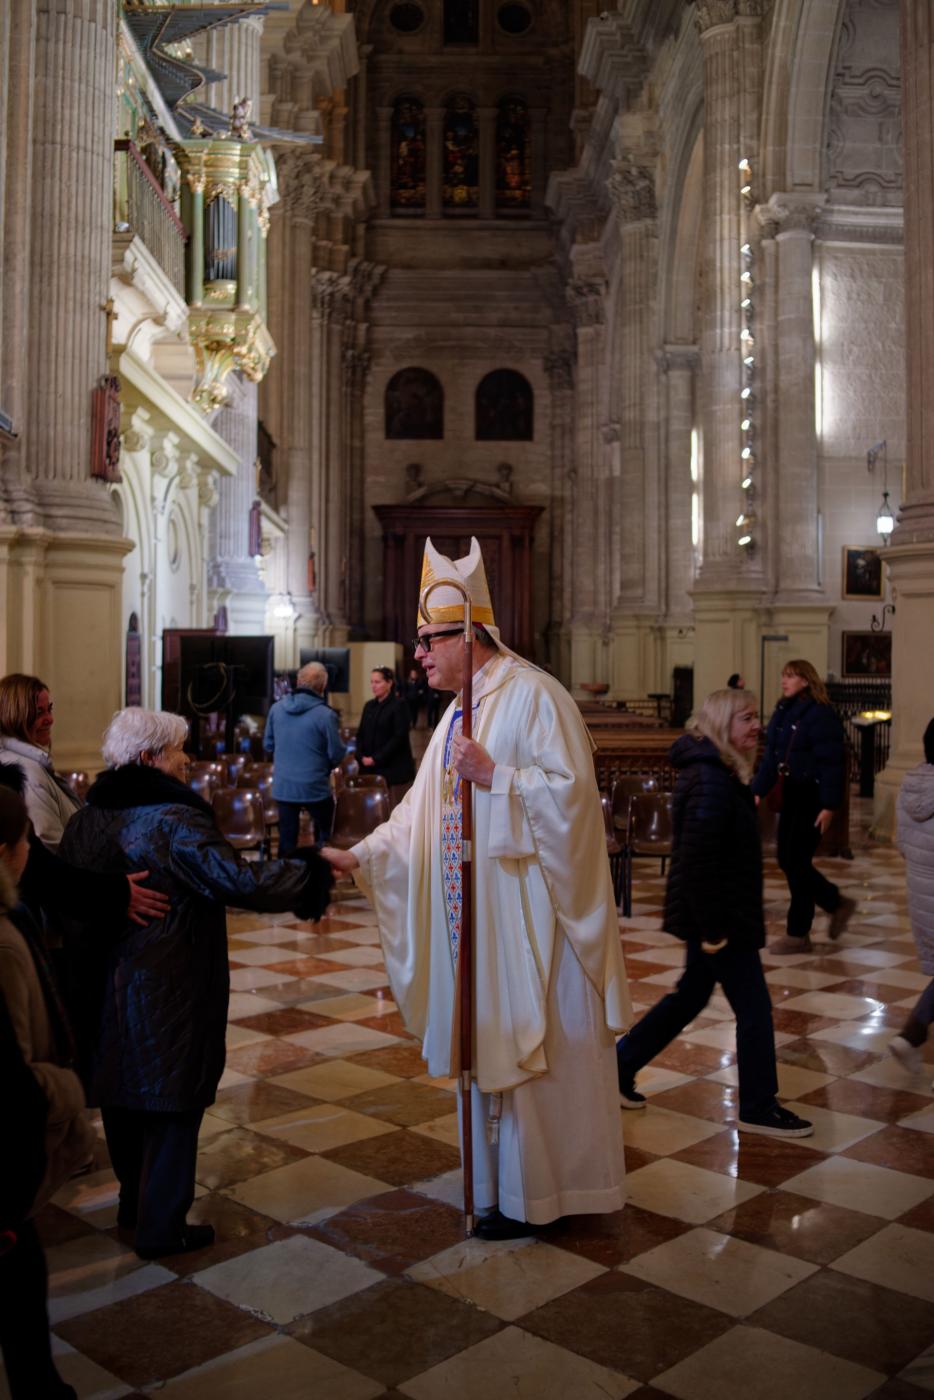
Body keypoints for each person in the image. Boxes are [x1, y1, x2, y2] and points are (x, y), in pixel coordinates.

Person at [323, 538, 631, 1240]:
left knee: (535, 1060)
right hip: (479, 927)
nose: (419, 657)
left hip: (533, 930)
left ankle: (545, 1194)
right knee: (487, 1050)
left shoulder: (534, 697)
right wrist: (364, 855)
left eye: (429, 642)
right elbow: (420, 814)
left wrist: (498, 777)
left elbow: (577, 804)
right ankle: (497, 1191)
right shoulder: (460, 711)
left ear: (467, 634)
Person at [58, 707, 331, 1260]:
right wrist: (310, 871)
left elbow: (68, 897)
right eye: (178, 750)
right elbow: (237, 879)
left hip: (105, 982)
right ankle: (163, 1227)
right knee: (171, 1099)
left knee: (123, 1097)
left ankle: (134, 1208)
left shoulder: (87, 817)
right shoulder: (172, 819)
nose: (188, 759)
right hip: (169, 981)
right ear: (148, 758)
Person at [616, 689, 813, 1138]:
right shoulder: (709, 778)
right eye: (746, 717)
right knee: (755, 1007)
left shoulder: (718, 772)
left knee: (689, 996)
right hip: (720, 918)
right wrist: (713, 931)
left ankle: (620, 1065)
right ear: (723, 723)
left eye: (756, 716)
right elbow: (699, 859)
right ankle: (759, 1106)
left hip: (719, 913)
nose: (756, 725)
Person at [0, 785, 94, 1399]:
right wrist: (65, 1094)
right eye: (26, 844)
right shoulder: (4, 944)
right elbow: (11, 1075)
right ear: (8, 853)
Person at [751, 659, 854, 953]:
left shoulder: (820, 715)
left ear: (806, 680)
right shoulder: (783, 711)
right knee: (789, 860)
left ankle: (806, 926)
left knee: (794, 861)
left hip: (811, 795)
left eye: (792, 676)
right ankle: (824, 912)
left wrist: (830, 805)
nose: (785, 681)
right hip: (790, 793)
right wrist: (757, 790)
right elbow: (771, 758)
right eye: (783, 675)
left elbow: (832, 762)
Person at [891, 717, 934, 1085]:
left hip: (921, 899)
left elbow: (902, 843)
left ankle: (912, 1034)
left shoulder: (912, 784)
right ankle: (911, 1034)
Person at [263, 661, 346, 850]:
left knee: (286, 841)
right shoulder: (326, 715)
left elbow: (267, 745)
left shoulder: (276, 709)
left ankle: (286, 877)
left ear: (298, 682)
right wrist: (324, 768)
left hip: (284, 787)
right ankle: (320, 873)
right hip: (315, 786)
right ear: (323, 686)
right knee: (325, 836)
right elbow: (336, 753)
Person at [0, 673, 81, 851]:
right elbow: (50, 843)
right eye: (39, 712)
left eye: (49, 709)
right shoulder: (28, 772)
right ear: (15, 716)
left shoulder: (31, 762)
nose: (50, 719)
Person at [357, 666, 416, 808]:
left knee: (392, 811)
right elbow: (361, 734)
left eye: (377, 682)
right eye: (371, 682)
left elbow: (398, 738)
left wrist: (375, 758)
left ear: (389, 683)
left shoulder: (399, 705)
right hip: (370, 769)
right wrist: (361, 756)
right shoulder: (369, 706)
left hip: (393, 772)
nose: (373, 686)